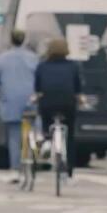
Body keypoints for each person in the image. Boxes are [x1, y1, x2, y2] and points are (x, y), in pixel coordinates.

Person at [0, 29, 38, 182]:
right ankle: (36, 146)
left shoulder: (1, 59)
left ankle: (15, 169)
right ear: (24, 40)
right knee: (33, 125)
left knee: (14, 136)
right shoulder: (33, 58)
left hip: (10, 100)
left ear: (10, 40)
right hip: (30, 99)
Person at [33, 38, 83, 176]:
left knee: (46, 125)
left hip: (47, 104)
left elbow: (37, 88)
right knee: (70, 134)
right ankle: (70, 167)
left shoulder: (42, 66)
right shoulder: (73, 66)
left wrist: (36, 97)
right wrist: (81, 99)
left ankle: (47, 141)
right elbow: (78, 88)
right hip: (68, 104)